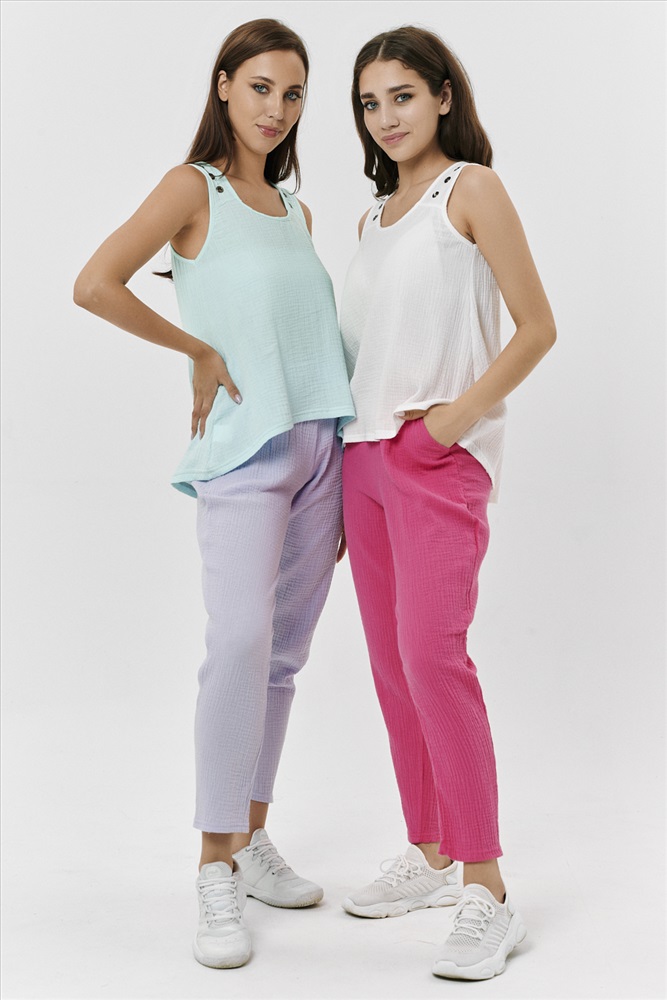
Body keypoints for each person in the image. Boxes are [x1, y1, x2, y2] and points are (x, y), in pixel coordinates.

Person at [73, 18, 354, 970]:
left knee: (282, 657)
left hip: (323, 450)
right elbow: (95, 284)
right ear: (224, 84)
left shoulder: (297, 213)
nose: (276, 109)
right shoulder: (191, 189)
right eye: (260, 87)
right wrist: (194, 348)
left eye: (293, 94)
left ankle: (253, 836)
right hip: (244, 451)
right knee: (237, 644)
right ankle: (213, 865)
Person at [339, 26, 556, 981]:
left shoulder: (470, 190)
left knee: (434, 659)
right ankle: (429, 854)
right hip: (362, 463)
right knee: (393, 669)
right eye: (369, 102)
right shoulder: (370, 220)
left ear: (441, 96)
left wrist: (452, 421)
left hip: (436, 459)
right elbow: (362, 353)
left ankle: (487, 889)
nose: (385, 117)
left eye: (401, 96)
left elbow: (536, 326)